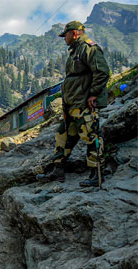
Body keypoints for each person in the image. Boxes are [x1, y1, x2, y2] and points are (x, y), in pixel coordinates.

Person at [37, 21, 110, 187]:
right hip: (72, 106)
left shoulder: (88, 48)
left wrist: (93, 94)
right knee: (62, 136)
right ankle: (58, 170)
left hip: (84, 103)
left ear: (75, 33)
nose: (64, 38)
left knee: (91, 136)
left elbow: (102, 72)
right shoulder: (75, 51)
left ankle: (96, 173)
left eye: (66, 35)